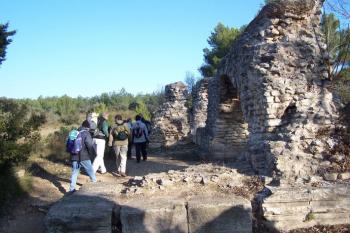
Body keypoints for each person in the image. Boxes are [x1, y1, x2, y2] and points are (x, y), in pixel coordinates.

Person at [69, 120, 97, 193]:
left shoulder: (75, 132)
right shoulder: (86, 133)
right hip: (84, 156)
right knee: (90, 171)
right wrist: (92, 154)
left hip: (74, 156)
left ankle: (72, 189)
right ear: (87, 127)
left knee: (74, 172)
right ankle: (95, 185)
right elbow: (89, 145)